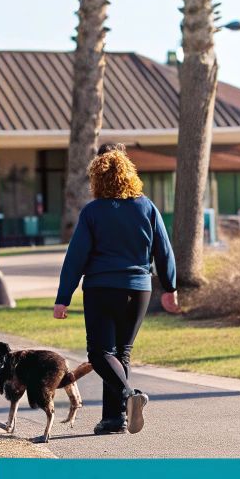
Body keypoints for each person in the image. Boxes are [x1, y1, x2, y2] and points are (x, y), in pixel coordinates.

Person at [54, 145, 179, 435]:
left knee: (99, 353)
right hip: (138, 291)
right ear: (129, 175)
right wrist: (170, 286)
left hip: (102, 288)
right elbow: (164, 250)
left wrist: (63, 298)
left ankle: (128, 395)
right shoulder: (147, 207)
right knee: (120, 354)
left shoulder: (93, 212)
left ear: (97, 179)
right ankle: (115, 419)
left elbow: (76, 258)